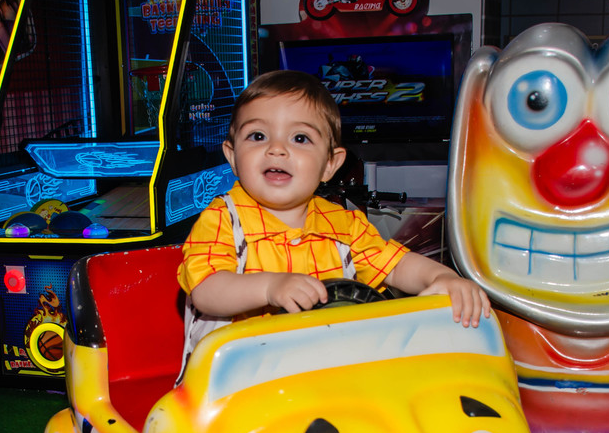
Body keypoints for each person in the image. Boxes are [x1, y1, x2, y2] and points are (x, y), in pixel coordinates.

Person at [178, 69, 490, 367]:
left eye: (300, 138)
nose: (276, 149)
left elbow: (395, 265)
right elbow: (206, 290)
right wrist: (270, 288)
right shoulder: (222, 219)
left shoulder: (344, 226)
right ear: (232, 156)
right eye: (258, 136)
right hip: (238, 377)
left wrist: (442, 278)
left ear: (331, 164)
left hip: (326, 367)